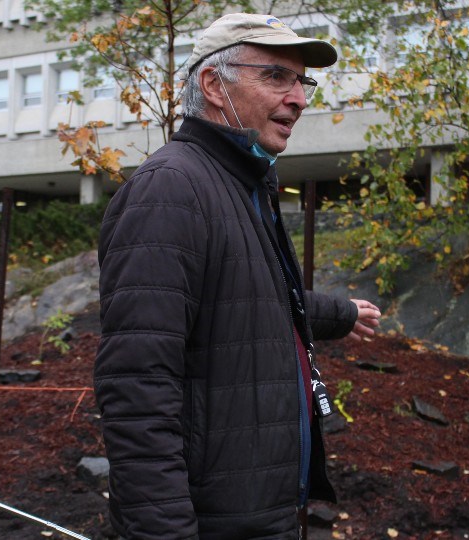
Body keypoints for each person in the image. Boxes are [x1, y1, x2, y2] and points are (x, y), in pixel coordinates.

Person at [93, 12, 382, 539]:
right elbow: (138, 389)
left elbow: (252, 299)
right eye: (276, 76)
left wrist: (340, 314)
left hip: (262, 514)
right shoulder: (172, 191)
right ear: (213, 84)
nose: (298, 97)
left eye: (302, 81)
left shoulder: (242, 183)